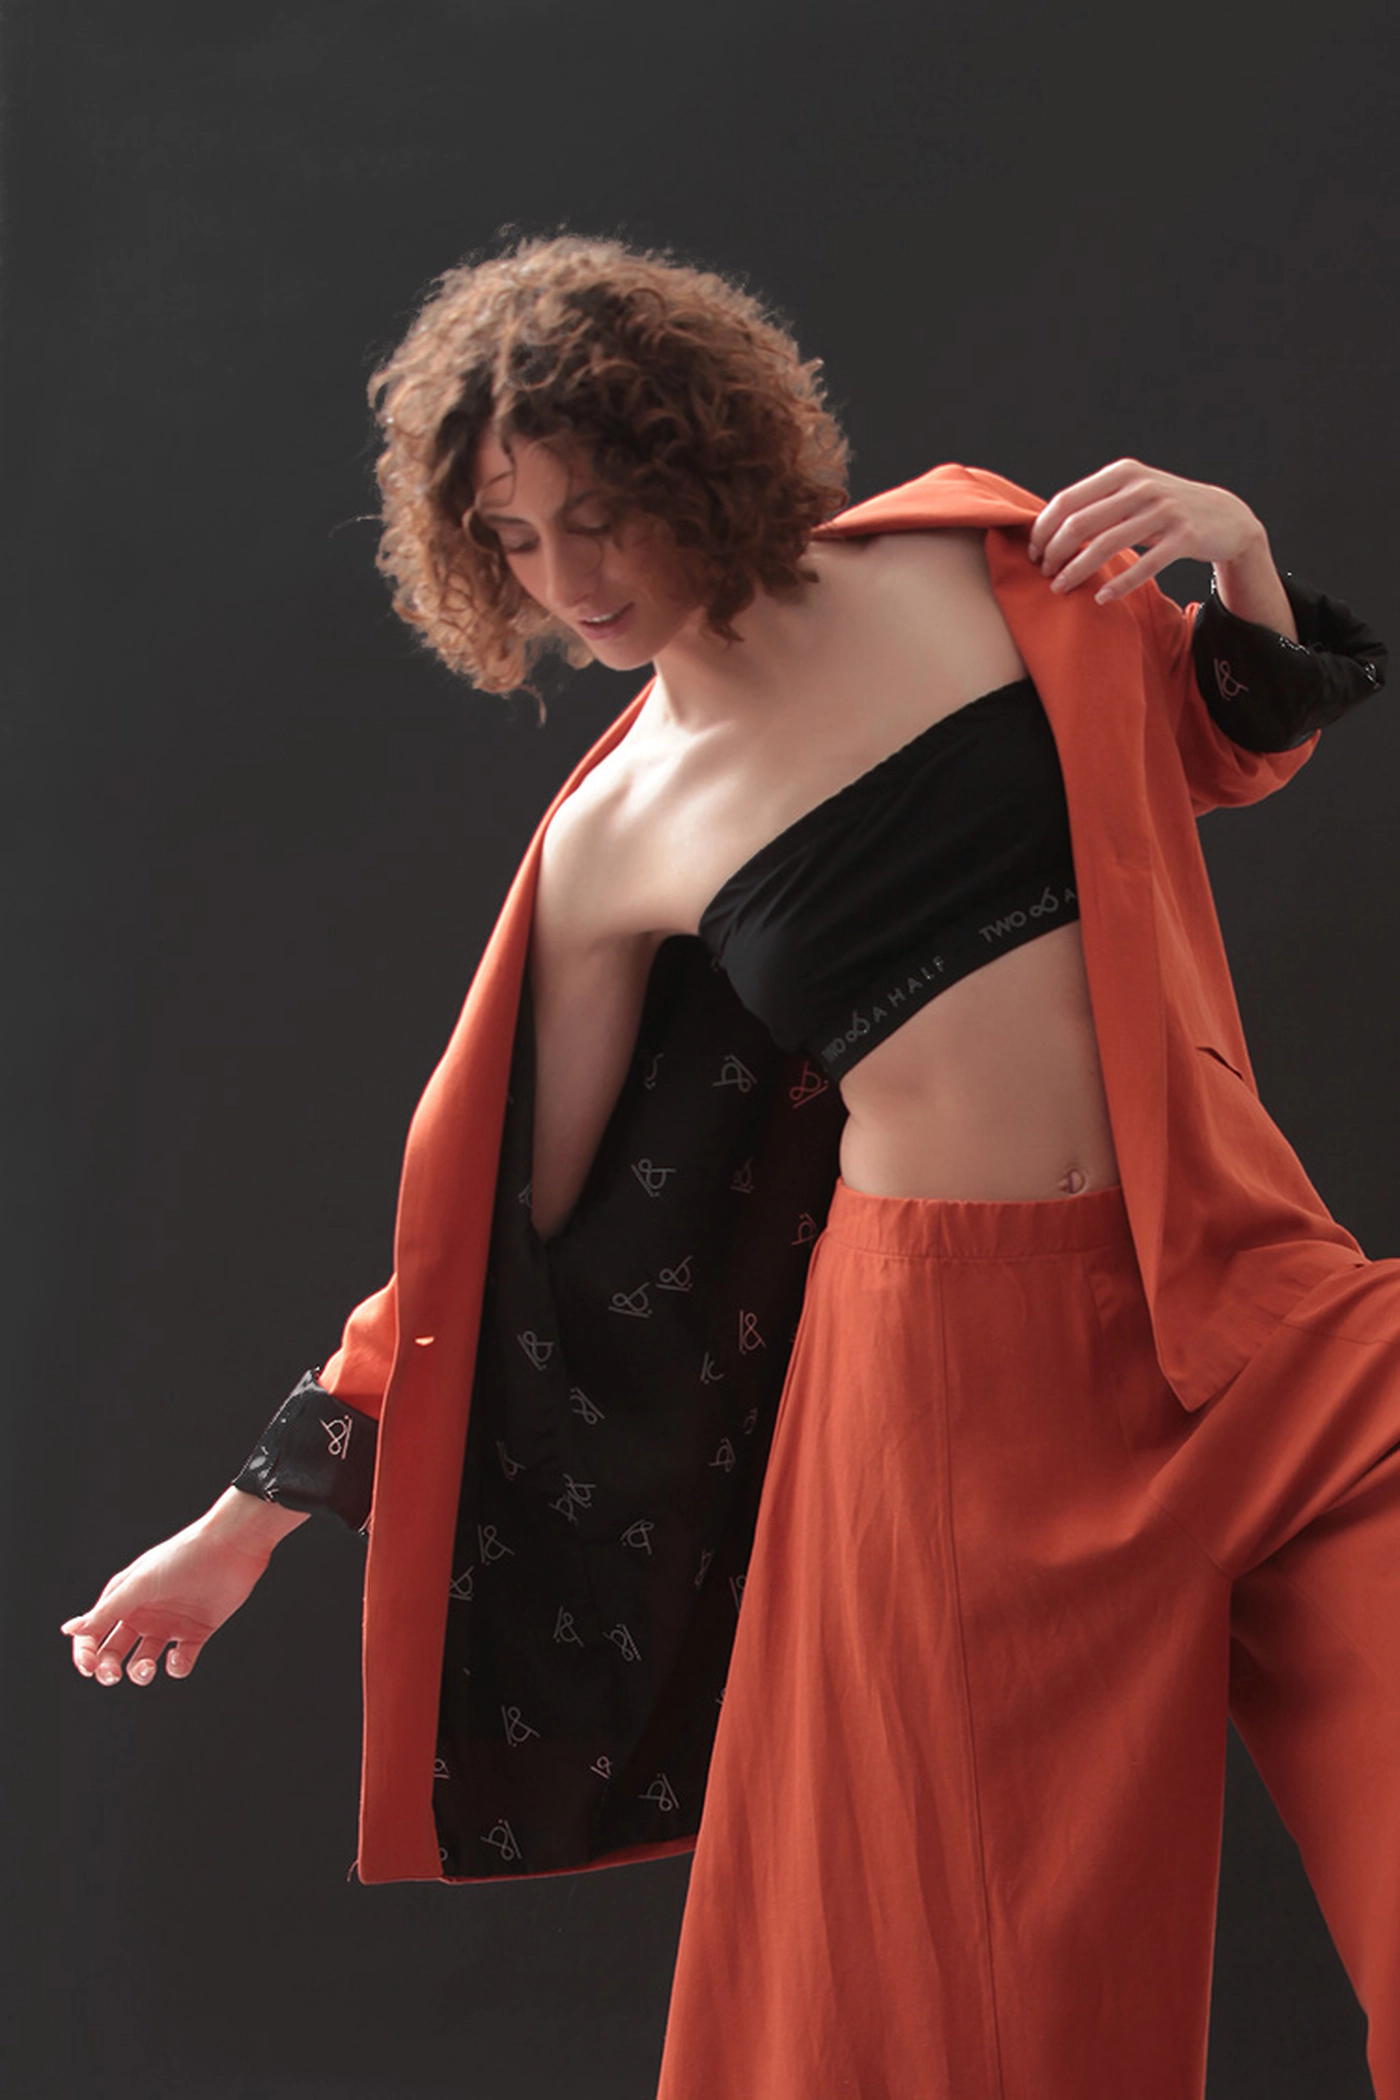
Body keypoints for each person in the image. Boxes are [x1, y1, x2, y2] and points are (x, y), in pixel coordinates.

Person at [62, 234, 1396, 2098]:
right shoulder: (613, 839)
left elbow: (1212, 746)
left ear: (702, 455)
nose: (570, 580)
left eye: (599, 514)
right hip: (948, 1403)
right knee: (993, 2030)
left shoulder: (972, 558)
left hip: (1243, 1288)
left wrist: (1237, 556)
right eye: (513, 538)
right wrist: (247, 1521)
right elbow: (496, 1251)